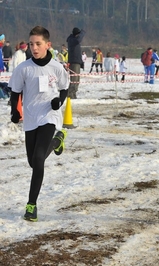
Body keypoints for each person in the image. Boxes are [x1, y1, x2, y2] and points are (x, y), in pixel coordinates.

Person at [8, 26, 70, 222]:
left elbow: (64, 88)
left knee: (38, 159)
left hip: (49, 116)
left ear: (47, 45)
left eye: (38, 44)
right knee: (33, 162)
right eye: (31, 44)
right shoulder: (23, 68)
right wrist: (15, 110)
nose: (34, 48)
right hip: (31, 117)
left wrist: (58, 101)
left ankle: (31, 205)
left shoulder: (57, 67)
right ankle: (58, 141)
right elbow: (15, 92)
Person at [67, 27, 86, 99]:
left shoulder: (74, 40)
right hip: (74, 62)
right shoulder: (72, 40)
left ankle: (73, 93)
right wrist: (82, 33)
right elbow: (79, 40)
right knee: (74, 80)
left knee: (77, 80)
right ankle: (70, 94)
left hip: (77, 62)